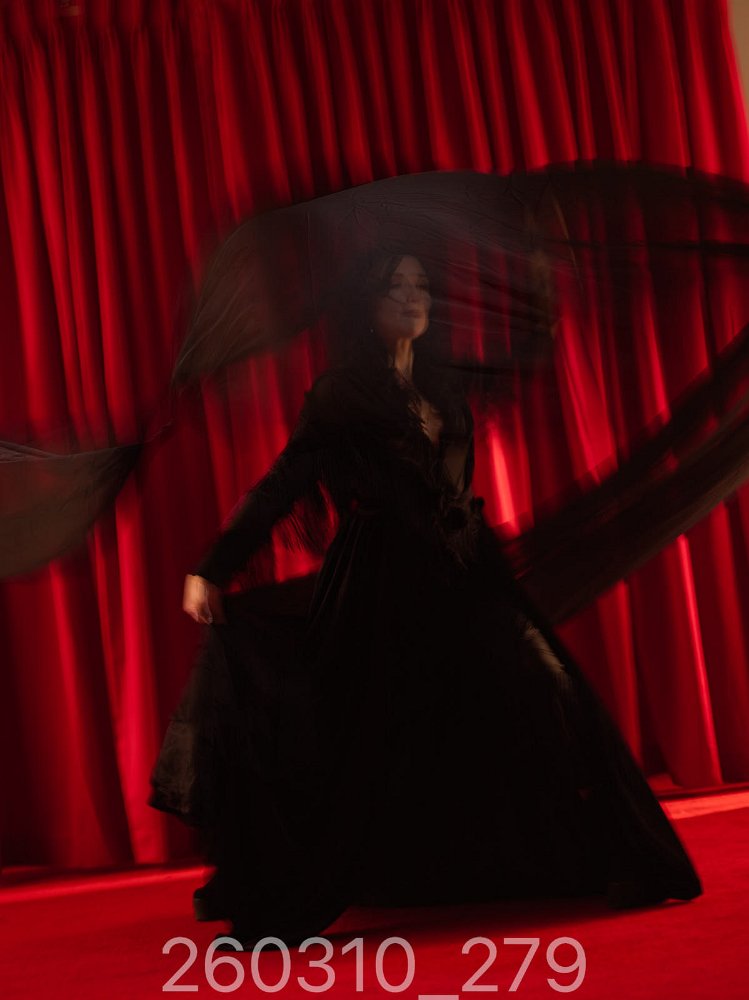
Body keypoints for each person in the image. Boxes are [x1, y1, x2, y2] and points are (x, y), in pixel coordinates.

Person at [150, 252, 702, 951]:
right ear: (368, 304)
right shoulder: (341, 393)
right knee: (365, 736)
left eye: (421, 286)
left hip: (466, 571)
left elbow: (518, 365)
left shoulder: (444, 383)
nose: (412, 297)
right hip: (381, 582)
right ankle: (296, 879)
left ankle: (611, 860)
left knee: (548, 685)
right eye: (395, 287)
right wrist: (212, 569)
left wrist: (541, 283)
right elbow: (283, 482)